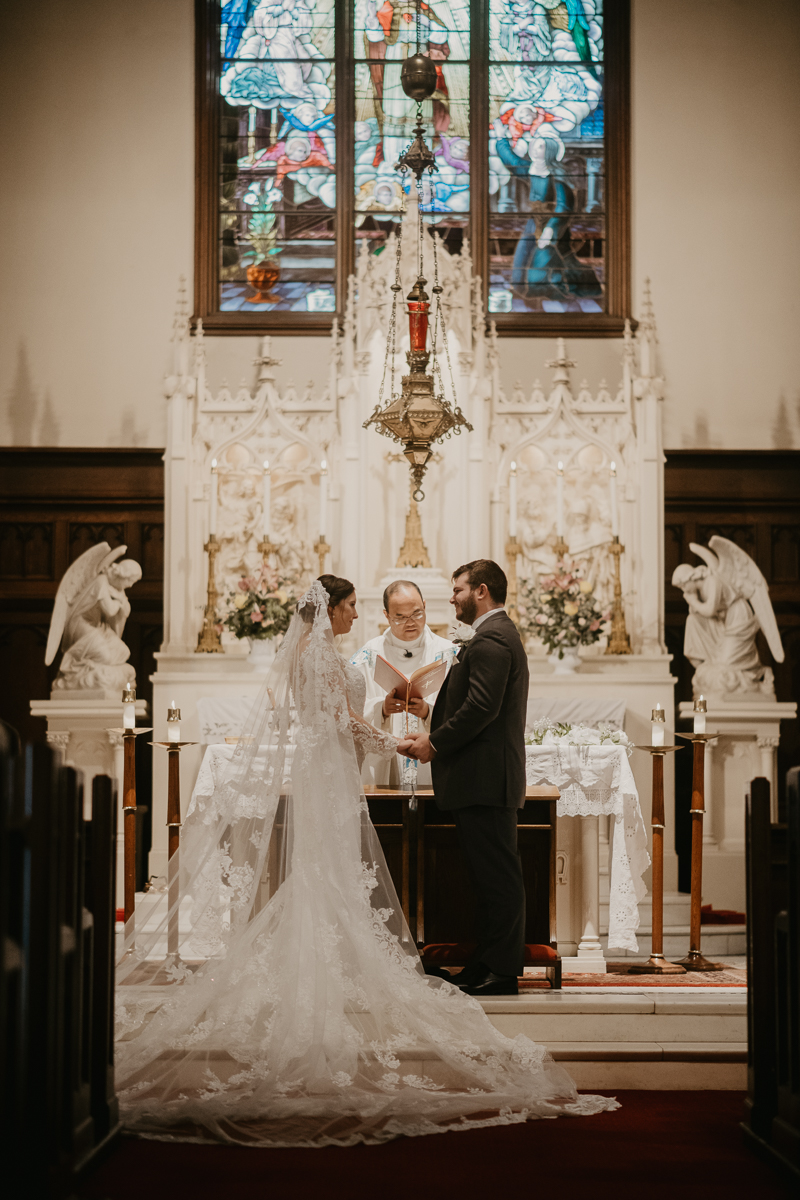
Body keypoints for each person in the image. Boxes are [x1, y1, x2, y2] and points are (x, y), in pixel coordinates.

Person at [115, 575, 615, 1147]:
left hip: (331, 770)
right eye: (352, 604)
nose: (360, 613)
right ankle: (338, 965)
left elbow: (338, 716)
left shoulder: (322, 651)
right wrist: (395, 742)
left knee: (325, 873)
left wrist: (413, 732)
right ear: (331, 610)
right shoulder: (326, 655)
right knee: (328, 869)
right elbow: (338, 720)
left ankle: (336, 961)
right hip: (330, 770)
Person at [400, 560, 529, 998]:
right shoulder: (494, 636)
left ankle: (503, 970)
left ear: (482, 591)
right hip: (481, 779)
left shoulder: (493, 640)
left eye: (457, 589)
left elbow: (480, 709)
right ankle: (486, 963)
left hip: (486, 781)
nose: (451, 597)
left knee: (498, 880)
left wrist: (433, 744)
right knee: (487, 880)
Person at [350, 579, 455, 788]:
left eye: (417, 613)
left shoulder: (449, 654)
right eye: (400, 617)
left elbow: (465, 711)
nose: (410, 622)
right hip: (384, 767)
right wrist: (381, 709)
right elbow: (347, 711)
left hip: (435, 764)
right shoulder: (368, 656)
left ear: (425, 606)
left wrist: (428, 711)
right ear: (386, 615)